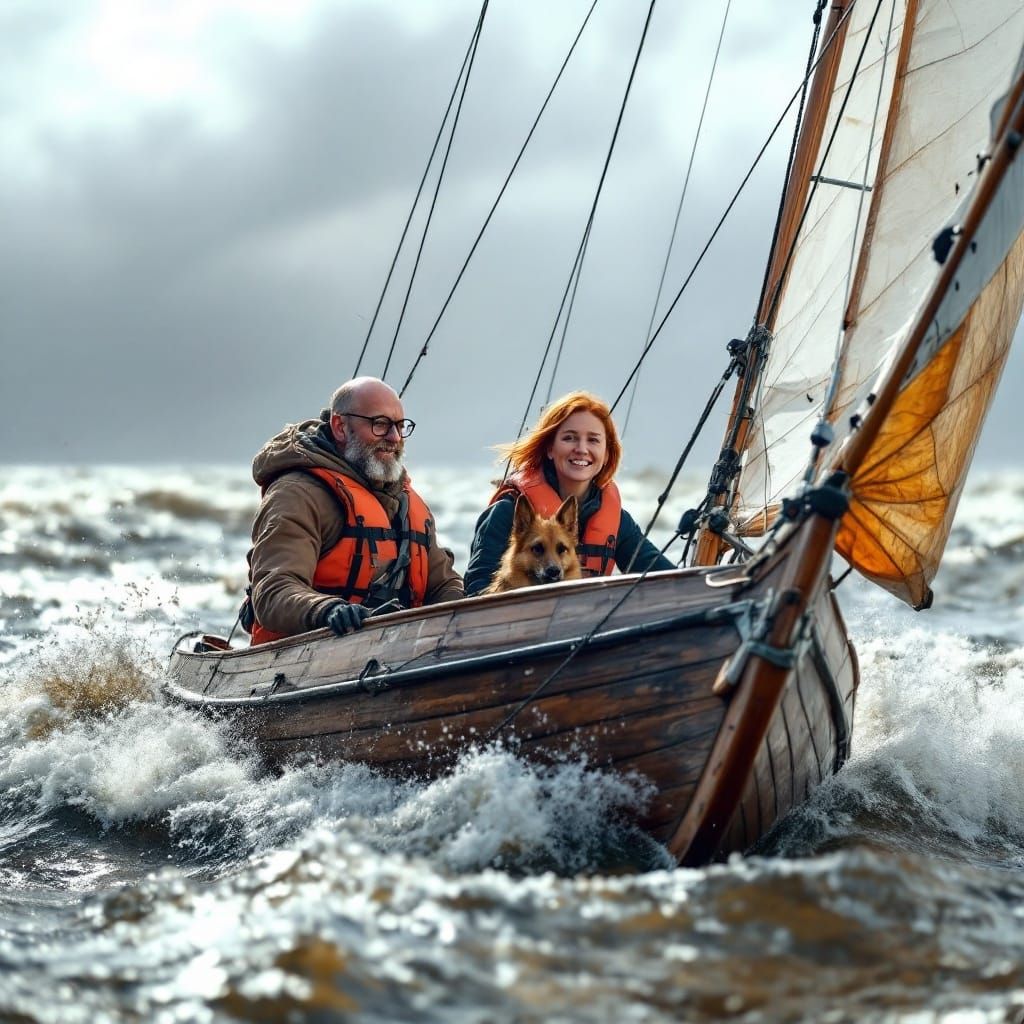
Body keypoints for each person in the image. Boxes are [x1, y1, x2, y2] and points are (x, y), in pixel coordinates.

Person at [245, 377, 464, 644]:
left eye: (399, 426)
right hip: (304, 654)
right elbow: (273, 592)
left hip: (398, 653)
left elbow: (443, 584)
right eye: (380, 424)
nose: (394, 437)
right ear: (340, 426)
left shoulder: (407, 502)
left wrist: (464, 616)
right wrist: (328, 610)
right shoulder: (297, 494)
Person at [465, 390, 675, 596]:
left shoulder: (617, 520)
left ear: (606, 454)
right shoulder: (507, 511)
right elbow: (476, 591)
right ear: (549, 448)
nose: (581, 449)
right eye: (569, 438)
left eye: (593, 440)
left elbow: (667, 579)